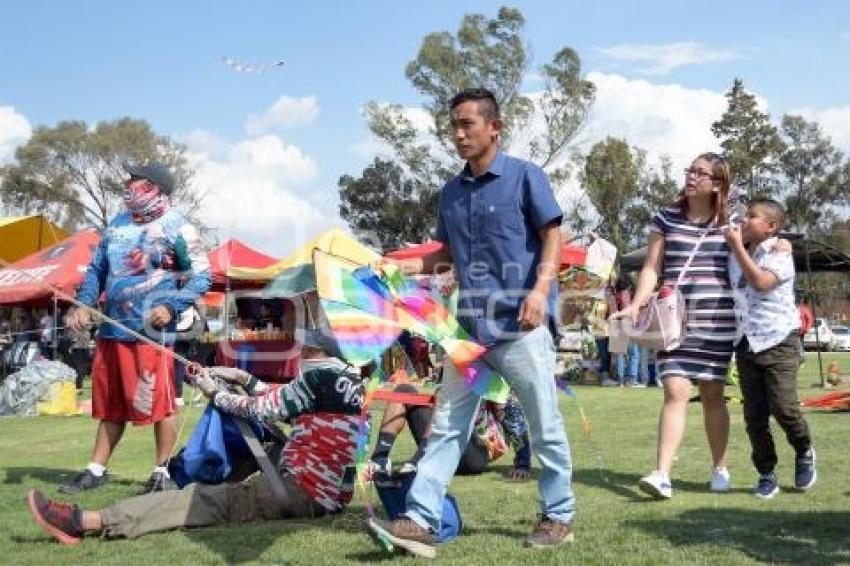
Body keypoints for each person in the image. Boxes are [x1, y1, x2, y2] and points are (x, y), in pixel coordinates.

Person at [367, 88, 574, 558]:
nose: (458, 134)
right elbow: (445, 255)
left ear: (494, 127)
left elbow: (552, 237)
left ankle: (559, 515)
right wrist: (398, 267)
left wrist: (540, 292)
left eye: (468, 125)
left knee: (544, 425)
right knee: (446, 427)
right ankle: (419, 519)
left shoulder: (525, 177)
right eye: (454, 126)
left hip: (521, 327)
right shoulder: (452, 193)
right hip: (467, 335)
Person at [25, 330, 364, 545]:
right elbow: (284, 398)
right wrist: (241, 377)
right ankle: (192, 477)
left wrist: (215, 393)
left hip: (302, 493)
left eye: (307, 349)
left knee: (205, 501)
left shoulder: (317, 380)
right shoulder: (348, 385)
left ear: (320, 354)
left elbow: (260, 409)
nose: (301, 353)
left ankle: (86, 521)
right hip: (329, 492)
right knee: (249, 445)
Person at [61, 162, 211, 495]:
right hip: (112, 333)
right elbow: (96, 271)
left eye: (134, 180)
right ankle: (96, 470)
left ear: (154, 187)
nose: (126, 184)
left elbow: (202, 276)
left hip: (152, 335)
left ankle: (162, 472)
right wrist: (83, 304)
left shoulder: (180, 227)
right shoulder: (115, 225)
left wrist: (170, 305)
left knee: (161, 403)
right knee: (111, 403)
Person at [612, 152, 735, 500]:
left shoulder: (731, 218)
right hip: (673, 318)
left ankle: (720, 467)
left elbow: (748, 255)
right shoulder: (665, 216)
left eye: (701, 173)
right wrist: (636, 305)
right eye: (690, 170)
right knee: (675, 391)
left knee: (712, 394)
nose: (692, 176)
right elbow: (651, 266)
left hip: (718, 319)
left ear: (717, 183)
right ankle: (662, 474)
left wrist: (780, 244)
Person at [724, 199, 816, 499]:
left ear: (772, 227)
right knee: (754, 416)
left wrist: (738, 248)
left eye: (752, 217)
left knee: (784, 407)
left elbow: (762, 282)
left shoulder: (779, 253)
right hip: (746, 341)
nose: (744, 221)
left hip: (778, 340)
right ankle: (766, 473)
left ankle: (803, 449)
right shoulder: (734, 251)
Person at [368, 385, 532, 480]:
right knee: (403, 390)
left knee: (444, 392)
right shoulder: (458, 376)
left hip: (476, 454)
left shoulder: (498, 386)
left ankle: (421, 459)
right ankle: (380, 460)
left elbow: (517, 425)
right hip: (442, 442)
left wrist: (522, 464)